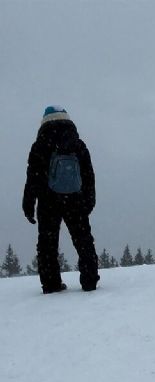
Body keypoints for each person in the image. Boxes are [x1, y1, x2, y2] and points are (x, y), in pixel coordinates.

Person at [23, 106, 100, 293]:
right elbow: (88, 175)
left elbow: (32, 177)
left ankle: (51, 284)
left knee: (47, 243)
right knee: (83, 239)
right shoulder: (78, 144)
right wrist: (89, 200)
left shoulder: (40, 145)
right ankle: (89, 281)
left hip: (48, 200)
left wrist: (28, 203)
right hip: (75, 198)